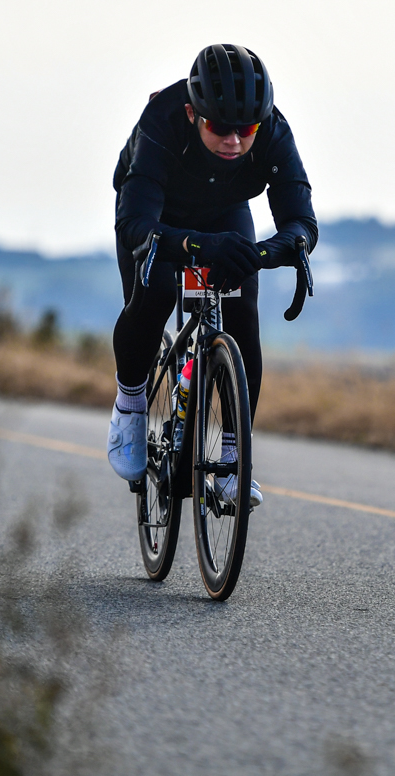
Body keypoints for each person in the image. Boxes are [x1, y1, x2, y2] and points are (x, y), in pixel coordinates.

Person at [107, 43, 317, 507]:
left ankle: (233, 455)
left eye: (247, 130)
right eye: (221, 128)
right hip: (158, 213)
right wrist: (197, 246)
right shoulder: (162, 122)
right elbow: (135, 225)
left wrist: (259, 254)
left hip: (224, 210)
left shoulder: (273, 131)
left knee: (243, 311)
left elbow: (302, 222)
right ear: (192, 113)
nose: (235, 141)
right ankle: (130, 405)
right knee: (154, 294)